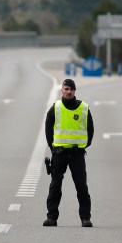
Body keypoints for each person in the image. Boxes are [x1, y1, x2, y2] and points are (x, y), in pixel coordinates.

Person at [43, 77, 94, 227]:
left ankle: (85, 218)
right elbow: (48, 129)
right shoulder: (56, 108)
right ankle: (51, 217)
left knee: (81, 186)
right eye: (66, 89)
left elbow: (90, 129)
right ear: (62, 90)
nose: (69, 92)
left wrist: (84, 145)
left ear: (75, 91)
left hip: (77, 154)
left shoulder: (83, 108)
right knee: (55, 186)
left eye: (71, 89)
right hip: (59, 153)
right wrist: (53, 148)